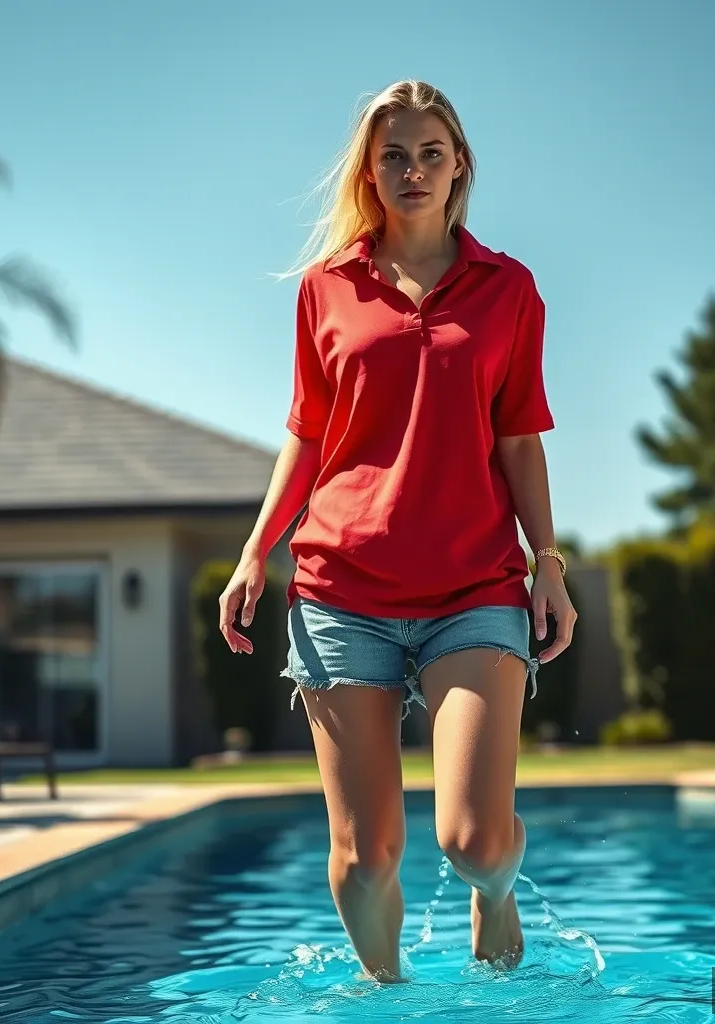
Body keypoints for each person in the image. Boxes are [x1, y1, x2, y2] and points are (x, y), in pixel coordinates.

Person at [218, 79, 577, 983]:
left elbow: (520, 441)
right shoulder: (325, 289)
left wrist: (549, 563)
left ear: (459, 164)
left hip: (475, 589)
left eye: (429, 152)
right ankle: (387, 997)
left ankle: (494, 892)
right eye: (393, 155)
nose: (412, 170)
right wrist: (255, 551)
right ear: (369, 173)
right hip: (343, 590)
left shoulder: (510, 290)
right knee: (365, 859)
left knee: (476, 842)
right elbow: (306, 435)